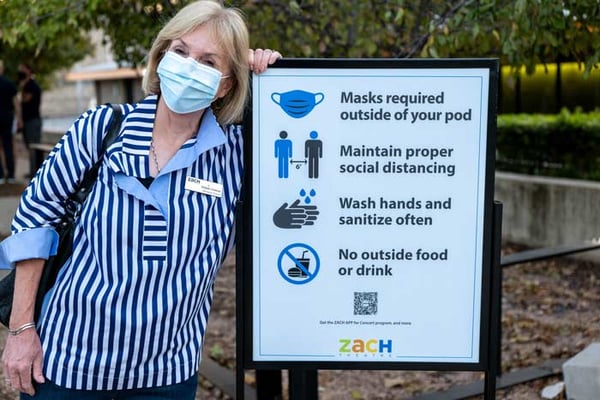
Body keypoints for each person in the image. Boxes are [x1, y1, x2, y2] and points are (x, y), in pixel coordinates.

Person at [0, 1, 280, 398]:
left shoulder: (237, 154)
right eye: (181, 51)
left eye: (208, 61)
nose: (188, 66)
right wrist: (22, 329)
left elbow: (304, 140)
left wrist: (274, 76)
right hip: (65, 366)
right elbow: (34, 222)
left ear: (226, 84)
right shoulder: (101, 129)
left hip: (166, 375)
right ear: (162, 54)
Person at [17, 62, 43, 177]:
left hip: (33, 120)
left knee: (34, 146)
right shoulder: (27, 85)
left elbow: (25, 99)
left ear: (28, 70)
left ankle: (36, 172)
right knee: (30, 146)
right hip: (28, 120)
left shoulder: (32, 85)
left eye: (22, 69)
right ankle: (34, 171)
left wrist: (22, 88)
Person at [0, 59, 21, 184]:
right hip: (7, 117)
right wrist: (19, 118)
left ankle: (1, 175)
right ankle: (11, 174)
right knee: (8, 146)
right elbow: (16, 103)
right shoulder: (9, 84)